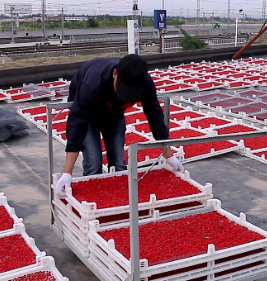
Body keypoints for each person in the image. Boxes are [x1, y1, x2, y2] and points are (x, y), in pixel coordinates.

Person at [54, 54, 183, 196]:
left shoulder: (145, 83)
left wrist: (169, 155)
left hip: (114, 113)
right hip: (88, 113)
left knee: (119, 163)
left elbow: (155, 116)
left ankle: (121, 200)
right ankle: (94, 200)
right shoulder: (93, 84)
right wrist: (67, 172)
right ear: (115, 74)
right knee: (94, 161)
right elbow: (77, 125)